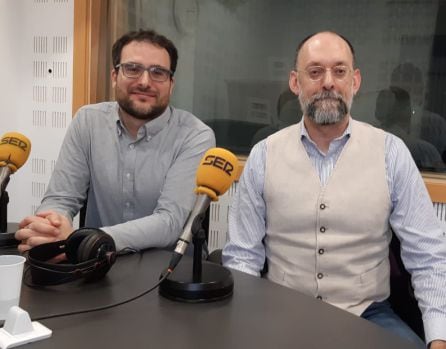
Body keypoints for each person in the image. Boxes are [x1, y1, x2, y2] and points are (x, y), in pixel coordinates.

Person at [223, 31, 446, 348]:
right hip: (280, 310)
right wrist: (245, 325)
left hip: (368, 314)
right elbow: (242, 256)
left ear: (354, 82)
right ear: (295, 83)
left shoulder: (391, 153)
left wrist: (439, 338)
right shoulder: (263, 154)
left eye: (339, 71)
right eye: (314, 72)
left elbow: (428, 257)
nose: (328, 82)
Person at [16, 29, 215, 252]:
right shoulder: (88, 121)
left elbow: (170, 223)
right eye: (132, 69)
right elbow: (61, 198)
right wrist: (50, 228)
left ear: (171, 83)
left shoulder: (195, 135)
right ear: (114, 76)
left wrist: (81, 239)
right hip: (95, 266)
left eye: (158, 72)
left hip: (169, 273)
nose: (145, 81)